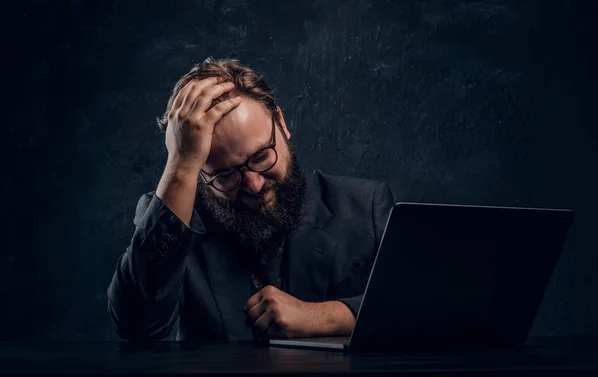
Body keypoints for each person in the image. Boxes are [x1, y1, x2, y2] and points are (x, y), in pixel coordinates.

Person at [107, 57, 394, 341]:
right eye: (225, 175)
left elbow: (426, 306)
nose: (254, 185)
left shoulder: (365, 206)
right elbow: (137, 327)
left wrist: (324, 317)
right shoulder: (171, 217)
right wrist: (180, 166)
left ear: (280, 122)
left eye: (261, 156)